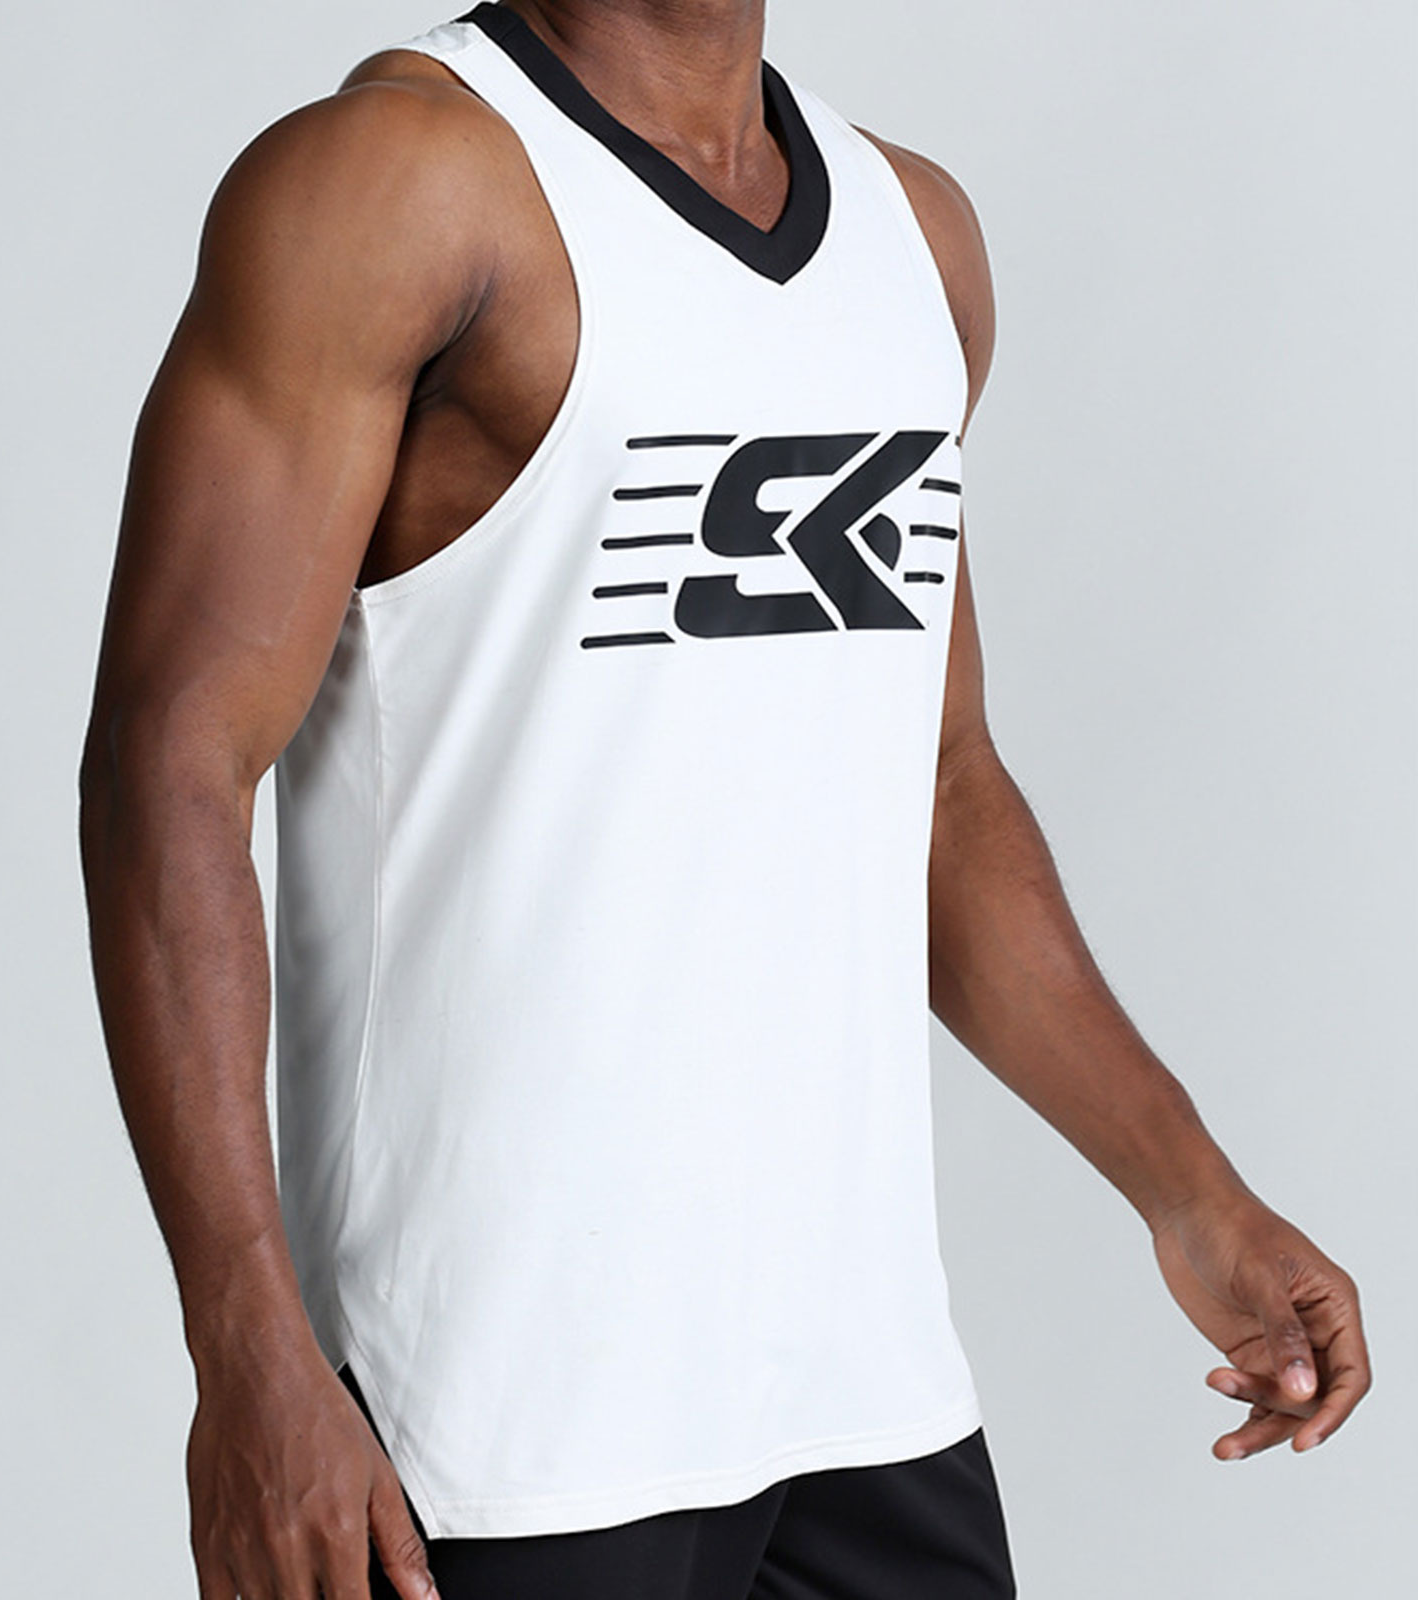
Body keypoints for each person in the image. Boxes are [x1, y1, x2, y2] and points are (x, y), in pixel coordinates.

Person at [77, 3, 1373, 1597]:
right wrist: (245, 1354)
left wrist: (1194, 1195)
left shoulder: (915, 237)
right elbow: (169, 767)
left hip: (862, 1396)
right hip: (489, 1426)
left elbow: (944, 796)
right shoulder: (396, 184)